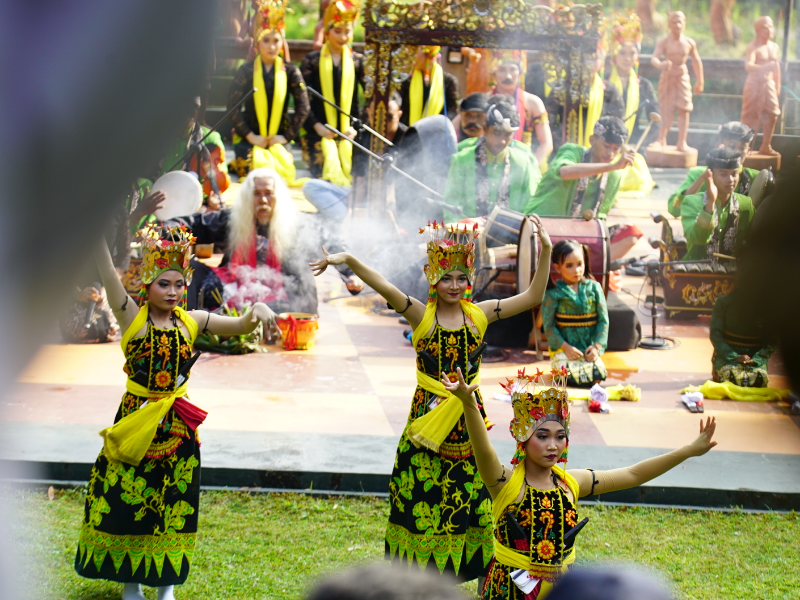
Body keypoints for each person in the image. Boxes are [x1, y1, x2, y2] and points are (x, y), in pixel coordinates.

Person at [309, 217, 554, 580]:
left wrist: (545, 250)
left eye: (460, 277)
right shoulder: (420, 316)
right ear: (432, 277)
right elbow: (382, 284)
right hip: (426, 426)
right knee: (419, 501)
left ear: (469, 278)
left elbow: (533, 297)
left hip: (468, 427)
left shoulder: (480, 315)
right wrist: (348, 259)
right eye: (446, 277)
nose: (453, 285)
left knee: (475, 504)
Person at [75, 224, 276, 600]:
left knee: (174, 501)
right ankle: (131, 584)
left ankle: (165, 586)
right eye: (163, 284)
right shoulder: (132, 318)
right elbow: (108, 276)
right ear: (146, 285)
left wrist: (257, 311)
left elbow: (238, 325)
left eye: (178, 285)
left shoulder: (191, 321)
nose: (172, 292)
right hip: (136, 422)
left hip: (179, 426)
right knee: (128, 499)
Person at [442, 367, 718, 598]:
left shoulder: (571, 483)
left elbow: (633, 475)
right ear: (523, 437)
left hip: (562, 590)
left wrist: (688, 451)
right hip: (509, 591)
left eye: (560, 436)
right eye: (542, 436)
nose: (553, 445)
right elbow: (483, 449)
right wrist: (469, 404)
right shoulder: (505, 482)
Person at [170, 168, 359, 314]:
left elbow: (332, 244)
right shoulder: (233, 219)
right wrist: (163, 230)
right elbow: (193, 224)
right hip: (235, 288)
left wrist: (352, 274)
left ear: (278, 196)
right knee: (191, 268)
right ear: (248, 197)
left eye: (268, 193)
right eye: (256, 193)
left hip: (285, 296)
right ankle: (186, 325)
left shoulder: (298, 223)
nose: (263, 200)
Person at [227, 0, 310, 183]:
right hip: (250, 138)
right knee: (251, 174)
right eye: (266, 40)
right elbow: (232, 107)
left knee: (280, 173)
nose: (272, 46)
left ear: (282, 42)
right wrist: (251, 136)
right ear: (258, 41)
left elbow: (303, 107)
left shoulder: (291, 71)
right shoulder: (246, 71)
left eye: (276, 41)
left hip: (278, 138)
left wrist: (284, 137)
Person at [442, 99, 541, 221]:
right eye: (497, 133)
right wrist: (468, 225)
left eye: (507, 135)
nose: (502, 141)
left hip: (513, 231)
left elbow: (531, 206)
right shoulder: (462, 160)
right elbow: (451, 206)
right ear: (485, 128)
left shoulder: (523, 163)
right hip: (469, 231)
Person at [300, 0, 364, 186]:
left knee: (357, 172)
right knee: (322, 175)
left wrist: (355, 127)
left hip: (349, 131)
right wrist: (317, 126)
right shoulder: (311, 61)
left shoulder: (358, 61)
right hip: (319, 131)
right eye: (337, 31)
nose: (343, 37)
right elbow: (302, 100)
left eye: (347, 31)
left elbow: (370, 98)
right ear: (327, 31)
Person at [605, 10, 660, 195]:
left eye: (632, 53)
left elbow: (655, 119)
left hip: (632, 147)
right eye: (622, 53)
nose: (628, 58)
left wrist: (637, 146)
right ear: (614, 54)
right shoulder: (603, 83)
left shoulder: (644, 85)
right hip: (606, 148)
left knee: (637, 177)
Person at [542, 240, 609, 387]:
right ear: (557, 267)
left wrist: (596, 347)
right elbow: (549, 327)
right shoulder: (553, 295)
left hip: (588, 350)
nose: (577, 270)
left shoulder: (595, 288)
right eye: (569, 266)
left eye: (580, 264)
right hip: (564, 350)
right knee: (568, 377)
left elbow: (603, 321)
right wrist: (566, 347)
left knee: (597, 375)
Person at [667, 121, 757, 218]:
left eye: (742, 148)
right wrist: (701, 180)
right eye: (731, 146)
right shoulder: (699, 174)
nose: (737, 152)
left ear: (748, 151)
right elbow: (674, 210)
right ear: (719, 146)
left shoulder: (755, 178)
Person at [680, 148, 755, 262]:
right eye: (723, 174)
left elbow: (754, 241)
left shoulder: (745, 204)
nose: (730, 180)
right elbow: (699, 239)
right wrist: (710, 203)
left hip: (733, 270)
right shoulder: (691, 202)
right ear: (710, 175)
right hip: (695, 269)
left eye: (734, 174)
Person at [160, 97, 229, 210]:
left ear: (193, 114)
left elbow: (219, 179)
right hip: (160, 203)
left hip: (197, 205)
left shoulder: (211, 138)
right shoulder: (156, 139)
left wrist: (211, 199)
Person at [650, 11, 704, 152]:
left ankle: (682, 142)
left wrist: (700, 81)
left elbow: (696, 61)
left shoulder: (689, 43)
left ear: (684, 23)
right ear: (669, 24)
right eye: (674, 22)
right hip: (667, 77)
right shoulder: (663, 42)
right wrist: (661, 64)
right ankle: (661, 139)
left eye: (680, 22)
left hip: (682, 77)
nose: (677, 25)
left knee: (684, 110)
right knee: (666, 109)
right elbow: (654, 58)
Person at [491, 50, 553, 165]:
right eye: (502, 70)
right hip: (489, 165)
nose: (508, 76)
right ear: (494, 73)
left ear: (520, 72)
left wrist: (530, 168)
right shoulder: (485, 101)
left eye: (512, 69)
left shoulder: (533, 103)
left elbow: (546, 143)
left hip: (523, 164)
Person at [710, 290, 775, 388]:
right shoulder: (723, 302)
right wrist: (734, 356)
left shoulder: (768, 306)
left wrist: (757, 359)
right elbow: (715, 334)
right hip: (727, 357)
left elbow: (771, 340)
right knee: (730, 377)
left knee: (759, 378)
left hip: (754, 357)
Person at [741, 16, 782, 157]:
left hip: (768, 83)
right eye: (765, 27)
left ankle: (766, 145)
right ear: (758, 30)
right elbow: (748, 66)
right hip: (754, 84)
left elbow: (776, 66)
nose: (769, 29)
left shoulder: (774, 46)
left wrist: (777, 84)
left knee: (773, 113)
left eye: (770, 26)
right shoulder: (753, 47)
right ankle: (744, 146)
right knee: (750, 116)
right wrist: (764, 67)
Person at [399, 46, 460, 127]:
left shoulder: (448, 82)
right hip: (406, 131)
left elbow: (452, 113)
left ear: (429, 56)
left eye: (414, 52)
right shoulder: (405, 80)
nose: (410, 57)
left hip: (436, 131)